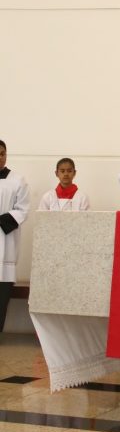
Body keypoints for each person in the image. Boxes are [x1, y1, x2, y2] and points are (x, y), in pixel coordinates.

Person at [0, 140, 30, 331]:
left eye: (2, 153)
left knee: (1, 295)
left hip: (5, 241)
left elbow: (23, 208)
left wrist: (2, 220)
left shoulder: (17, 180)